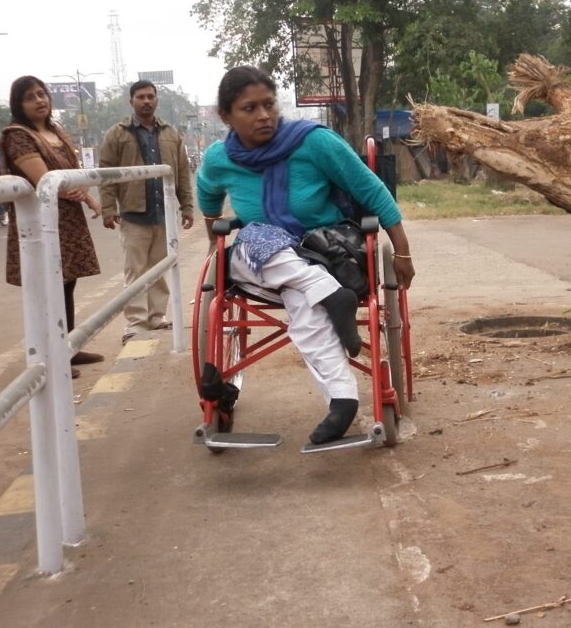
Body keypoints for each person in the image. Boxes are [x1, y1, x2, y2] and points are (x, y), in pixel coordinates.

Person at [197, 66, 415, 445]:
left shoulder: (314, 142)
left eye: (269, 104)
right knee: (253, 237)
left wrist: (402, 250)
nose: (264, 115)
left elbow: (371, 190)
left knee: (302, 303)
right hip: (273, 265)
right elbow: (208, 199)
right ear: (226, 117)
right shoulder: (218, 159)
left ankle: (343, 399)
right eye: (250, 109)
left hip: (324, 251)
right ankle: (332, 312)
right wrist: (212, 234)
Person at [0, 77, 104, 378]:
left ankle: (67, 347)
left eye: (41, 94)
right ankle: (52, 356)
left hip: (66, 220)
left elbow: (70, 175)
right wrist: (84, 196)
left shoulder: (55, 131)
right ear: (19, 105)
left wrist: (89, 199)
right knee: (48, 286)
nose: (39, 100)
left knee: (67, 282)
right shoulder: (18, 136)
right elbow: (49, 182)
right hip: (40, 223)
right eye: (30, 97)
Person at [99, 80, 195, 344]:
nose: (146, 101)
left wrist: (187, 206)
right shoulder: (117, 134)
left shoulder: (171, 134)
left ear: (156, 100)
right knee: (136, 270)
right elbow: (106, 173)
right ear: (131, 102)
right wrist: (108, 207)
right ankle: (136, 323)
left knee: (159, 268)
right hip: (133, 214)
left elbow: (182, 174)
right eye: (140, 97)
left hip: (163, 213)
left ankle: (156, 317)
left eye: (150, 96)